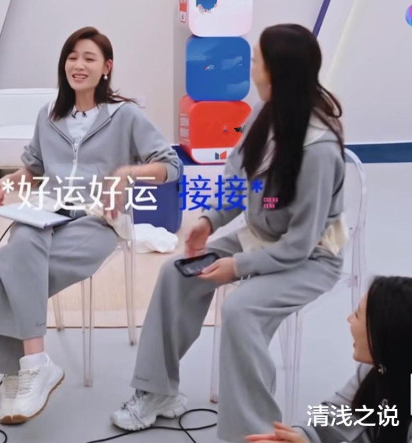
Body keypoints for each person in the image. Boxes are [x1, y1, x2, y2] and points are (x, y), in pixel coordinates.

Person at [111, 24, 347, 442]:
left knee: (241, 310)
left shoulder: (319, 149)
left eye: (256, 60)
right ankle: (157, 391)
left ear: (275, 72)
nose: (250, 67)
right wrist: (209, 221)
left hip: (310, 259)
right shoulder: (263, 112)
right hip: (260, 239)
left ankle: (255, 432)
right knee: (176, 275)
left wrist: (236, 266)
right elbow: (238, 182)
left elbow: (298, 244)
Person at [0, 26, 180, 425]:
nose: (78, 65)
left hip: (98, 220)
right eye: (72, 57)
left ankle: (20, 371)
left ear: (107, 67)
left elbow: (170, 166)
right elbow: (34, 169)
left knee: (11, 272)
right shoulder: (48, 116)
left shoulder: (125, 116)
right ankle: (36, 363)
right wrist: (7, 183)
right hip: (47, 213)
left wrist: (125, 173)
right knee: (21, 245)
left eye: (89, 58)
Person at [246, 276, 412, 443]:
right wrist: (293, 437)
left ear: (384, 329)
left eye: (357, 314)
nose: (349, 319)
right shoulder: (374, 371)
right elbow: (334, 416)